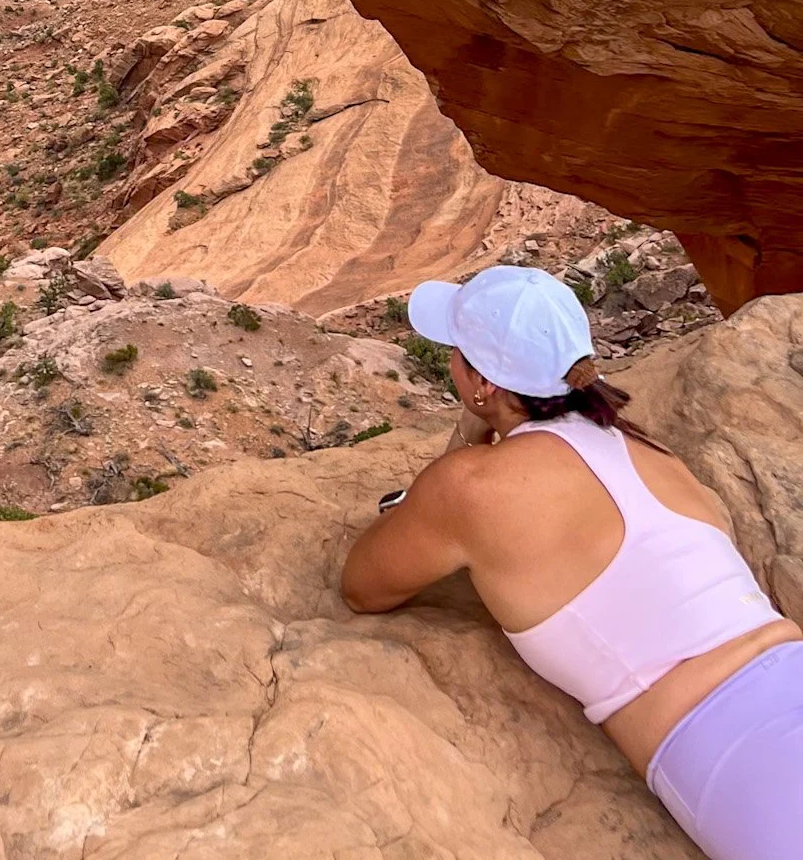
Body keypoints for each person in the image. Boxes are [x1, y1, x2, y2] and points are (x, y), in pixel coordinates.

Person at [340, 265, 803, 860]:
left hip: (732, 750)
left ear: (480, 379)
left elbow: (364, 586)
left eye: (456, 353)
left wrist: (469, 436)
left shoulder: (472, 488)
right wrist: (485, 417)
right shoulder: (643, 448)